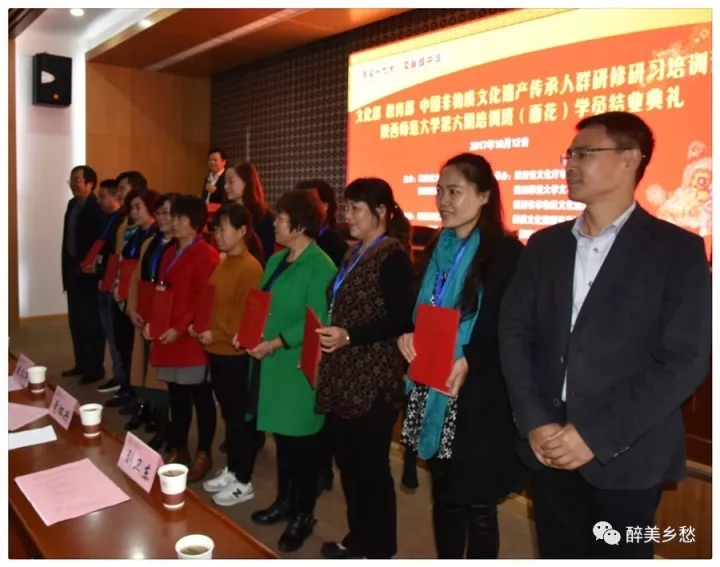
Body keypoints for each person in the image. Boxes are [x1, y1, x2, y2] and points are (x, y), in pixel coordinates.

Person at [498, 111, 712, 559]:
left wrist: (594, 435)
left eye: (585, 154)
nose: (570, 165)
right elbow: (514, 334)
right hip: (548, 443)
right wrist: (535, 420)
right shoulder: (545, 245)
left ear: (630, 158)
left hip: (626, 454)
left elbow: (685, 360)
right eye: (569, 156)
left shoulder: (677, 251)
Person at [398, 153, 528, 559]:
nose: (443, 201)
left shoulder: (505, 253)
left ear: (485, 195)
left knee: (478, 504)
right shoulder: (437, 246)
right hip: (430, 382)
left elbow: (508, 324)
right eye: (439, 191)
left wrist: (470, 357)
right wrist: (407, 334)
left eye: (454, 191)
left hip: (474, 393)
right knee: (444, 496)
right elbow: (418, 309)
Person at [315, 178, 414, 560]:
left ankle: (379, 549)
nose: (348, 215)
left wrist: (350, 335)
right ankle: (359, 538)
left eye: (356, 208)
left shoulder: (393, 257)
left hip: (372, 381)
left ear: (381, 212)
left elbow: (401, 319)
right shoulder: (353, 252)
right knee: (349, 465)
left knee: (371, 470)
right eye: (348, 207)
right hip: (342, 375)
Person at [237, 189, 337, 552]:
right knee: (283, 441)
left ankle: (303, 514)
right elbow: (261, 302)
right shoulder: (278, 259)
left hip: (295, 367)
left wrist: (273, 343)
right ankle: (284, 501)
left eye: (280, 218)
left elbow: (315, 320)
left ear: (298, 226)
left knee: (303, 447)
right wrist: (247, 332)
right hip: (271, 366)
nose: (275, 223)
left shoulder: (321, 266)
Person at [145, 195, 221, 482]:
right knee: (177, 396)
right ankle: (179, 448)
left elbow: (204, 300)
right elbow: (162, 293)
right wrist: (154, 322)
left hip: (190, 337)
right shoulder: (170, 252)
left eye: (179, 217)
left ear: (196, 223)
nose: (173, 222)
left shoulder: (206, 254)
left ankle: (204, 452)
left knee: (201, 397)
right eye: (171, 216)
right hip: (169, 335)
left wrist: (179, 327)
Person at [194, 203, 264, 506]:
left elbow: (245, 314)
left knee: (239, 417)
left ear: (242, 231)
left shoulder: (250, 267)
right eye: (216, 228)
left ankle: (243, 479)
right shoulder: (225, 262)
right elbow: (214, 302)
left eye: (223, 229)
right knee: (229, 414)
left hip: (234, 353)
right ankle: (233, 470)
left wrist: (218, 333)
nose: (217, 235)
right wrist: (201, 327)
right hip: (216, 350)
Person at [295, 178, 350, 495]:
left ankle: (322, 469)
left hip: (330, 336)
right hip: (309, 334)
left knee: (324, 412)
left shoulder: (334, 246)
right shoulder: (298, 245)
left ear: (325, 207)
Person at [126, 193, 178, 451]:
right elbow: (136, 279)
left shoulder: (181, 247)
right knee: (146, 375)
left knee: (164, 381)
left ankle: (168, 431)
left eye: (168, 213)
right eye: (159, 213)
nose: (162, 218)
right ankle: (159, 424)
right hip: (145, 316)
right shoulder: (150, 243)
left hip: (168, 321)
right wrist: (132, 308)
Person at [112, 189, 159, 429]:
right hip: (127, 296)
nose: (134, 212)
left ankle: (149, 406)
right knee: (127, 348)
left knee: (144, 356)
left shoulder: (156, 236)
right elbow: (122, 262)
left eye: (139, 207)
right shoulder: (133, 233)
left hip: (146, 301)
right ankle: (135, 396)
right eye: (132, 208)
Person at [60, 165, 106, 384]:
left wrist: (91, 266)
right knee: (76, 321)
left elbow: (99, 243)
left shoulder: (97, 208)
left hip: (89, 273)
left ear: (90, 184)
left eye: (78, 180)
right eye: (71, 180)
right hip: (72, 270)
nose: (74, 184)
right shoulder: (72, 205)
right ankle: (81, 363)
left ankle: (94, 368)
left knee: (91, 323)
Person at [88, 179, 125, 388]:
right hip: (103, 278)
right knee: (108, 331)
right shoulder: (106, 219)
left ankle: (121, 376)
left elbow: (116, 255)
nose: (99, 201)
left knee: (115, 332)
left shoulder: (121, 222)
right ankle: (117, 373)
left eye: (103, 197)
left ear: (115, 197)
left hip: (113, 281)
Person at [224, 162, 276, 262]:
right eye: (225, 182)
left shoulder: (264, 216)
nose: (225, 186)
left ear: (246, 182)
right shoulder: (228, 213)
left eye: (231, 181)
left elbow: (265, 254)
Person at [295, 179, 349, 267]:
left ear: (326, 206)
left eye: (309, 203)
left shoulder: (338, 248)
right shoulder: (293, 240)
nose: (302, 208)